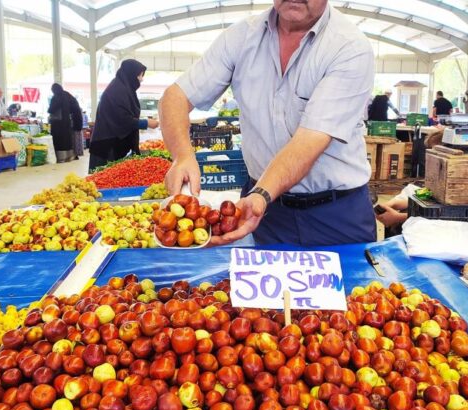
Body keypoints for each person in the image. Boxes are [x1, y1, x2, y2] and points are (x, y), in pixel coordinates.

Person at [159, 0, 376, 247]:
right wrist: (182, 156)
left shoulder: (348, 46)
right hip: (269, 215)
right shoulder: (242, 37)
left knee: (350, 284)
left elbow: (310, 141)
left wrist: (261, 193)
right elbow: (176, 96)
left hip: (336, 215)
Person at [89, 59, 159, 170]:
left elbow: (125, 115)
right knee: (104, 180)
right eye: (140, 75)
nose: (141, 79)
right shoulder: (117, 90)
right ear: (131, 74)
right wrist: (146, 123)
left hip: (111, 143)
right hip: (107, 145)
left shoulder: (122, 88)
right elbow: (122, 119)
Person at [48, 83, 76, 163]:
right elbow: (73, 107)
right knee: (67, 139)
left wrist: (49, 110)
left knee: (59, 139)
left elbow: (51, 109)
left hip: (58, 123)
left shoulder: (55, 97)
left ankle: (61, 158)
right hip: (67, 121)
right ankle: (69, 156)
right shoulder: (67, 95)